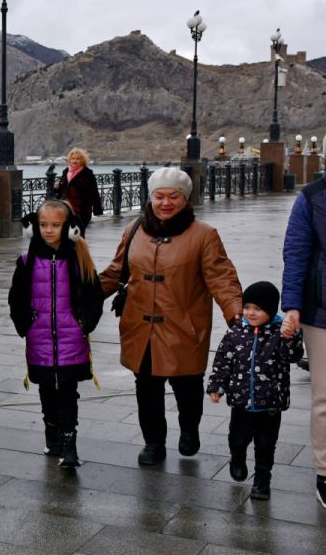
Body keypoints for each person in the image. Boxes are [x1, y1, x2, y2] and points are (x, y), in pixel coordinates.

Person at [99, 167, 242, 465]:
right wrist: (79, 293)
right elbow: (115, 272)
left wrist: (236, 314)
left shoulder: (204, 235)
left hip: (184, 327)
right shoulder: (135, 230)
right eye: (159, 196)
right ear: (150, 198)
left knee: (187, 387)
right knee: (147, 387)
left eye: (173, 196)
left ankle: (189, 429)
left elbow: (222, 279)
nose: (166, 203)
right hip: (140, 326)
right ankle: (153, 442)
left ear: (185, 199)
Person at [8, 200, 104, 469]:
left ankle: (69, 444)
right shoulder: (27, 262)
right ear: (34, 228)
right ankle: (52, 434)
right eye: (43, 225)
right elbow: (16, 298)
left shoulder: (79, 260)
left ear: (70, 228)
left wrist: (85, 324)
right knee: (48, 391)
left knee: (68, 393)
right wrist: (24, 325)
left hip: (72, 340)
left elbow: (94, 295)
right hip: (39, 341)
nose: (49, 230)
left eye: (56, 225)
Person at [207, 281, 304, 500]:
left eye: (258, 309)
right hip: (241, 403)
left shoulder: (280, 333)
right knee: (237, 439)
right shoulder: (235, 332)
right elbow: (223, 361)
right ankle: (237, 458)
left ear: (270, 310)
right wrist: (217, 385)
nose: (251, 313)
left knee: (266, 444)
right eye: (247, 307)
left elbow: (293, 356)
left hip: (270, 404)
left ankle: (262, 480)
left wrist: (292, 336)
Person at [281, 174, 326, 507]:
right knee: (325, 398)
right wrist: (293, 307)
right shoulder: (312, 197)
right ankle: (325, 472)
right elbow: (296, 253)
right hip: (321, 312)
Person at [53, 148, 102, 235]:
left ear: (82, 160)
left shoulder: (87, 174)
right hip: (65, 209)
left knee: (78, 235)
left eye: (77, 159)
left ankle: (80, 249)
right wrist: (58, 186)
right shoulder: (66, 172)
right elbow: (64, 189)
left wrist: (97, 209)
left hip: (81, 210)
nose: (75, 161)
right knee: (65, 235)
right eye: (73, 158)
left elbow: (94, 192)